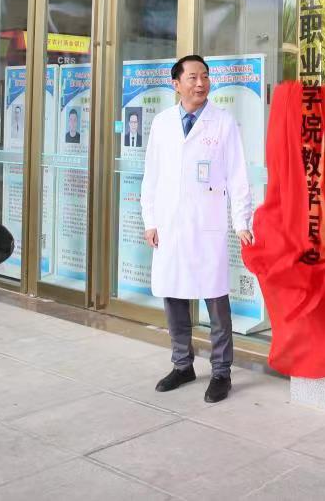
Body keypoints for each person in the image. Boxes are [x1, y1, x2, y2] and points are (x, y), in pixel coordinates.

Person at [141, 55, 254, 403]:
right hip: (169, 224)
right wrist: (150, 220)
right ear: (176, 84)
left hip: (207, 224)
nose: (201, 83)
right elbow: (151, 175)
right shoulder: (162, 123)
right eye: (192, 77)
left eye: (205, 76)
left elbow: (238, 176)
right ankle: (182, 364)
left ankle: (221, 372)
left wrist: (242, 221)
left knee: (215, 300)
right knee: (173, 295)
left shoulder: (223, 122)